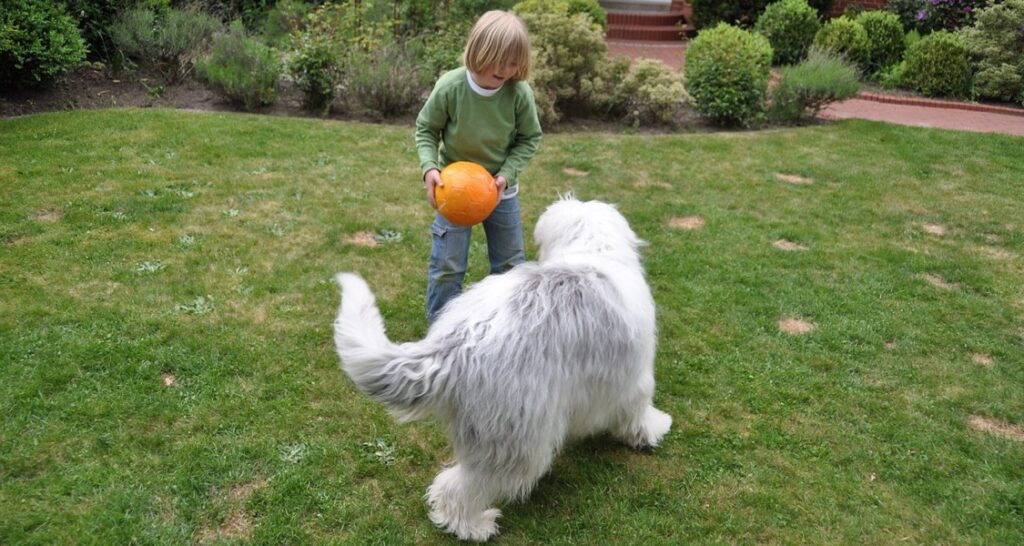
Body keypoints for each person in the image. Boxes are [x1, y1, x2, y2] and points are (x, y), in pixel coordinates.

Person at [415, 10, 543, 323]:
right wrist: (430, 168)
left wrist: (506, 175)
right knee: (448, 266)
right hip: (454, 192)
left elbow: (529, 138)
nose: (506, 69)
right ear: (478, 52)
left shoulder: (518, 94)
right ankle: (441, 329)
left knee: (511, 265)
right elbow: (426, 129)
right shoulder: (451, 87)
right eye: (499, 60)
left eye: (514, 62)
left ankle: (509, 327)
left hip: (502, 193)